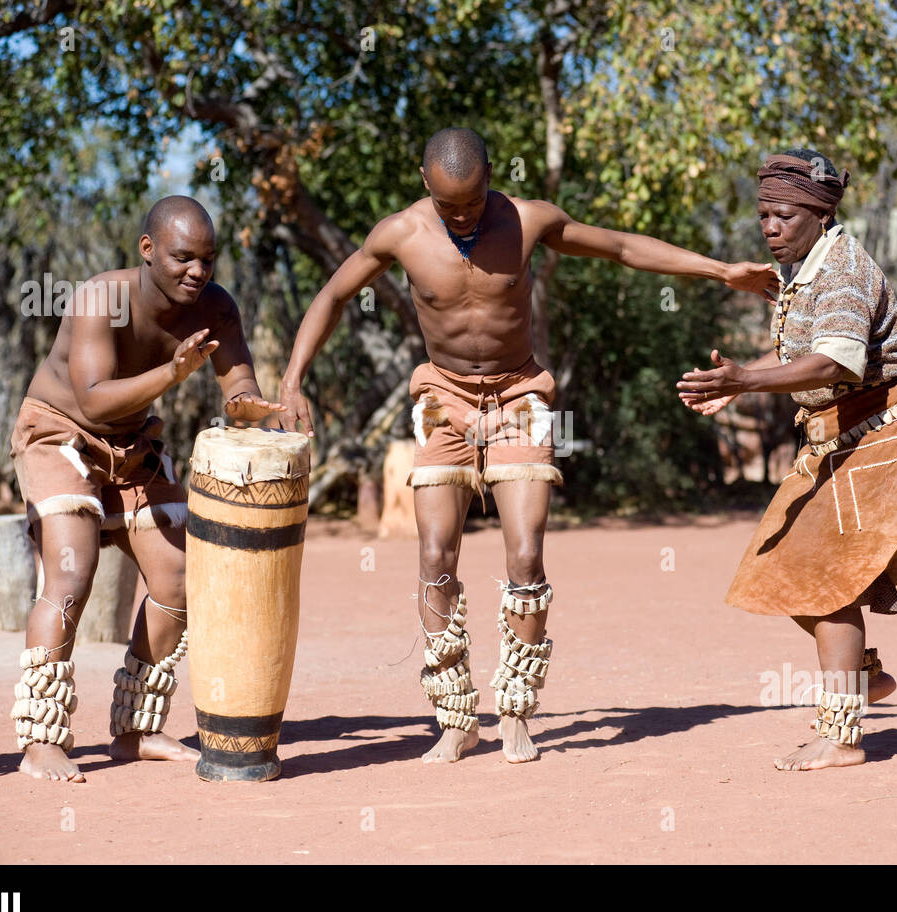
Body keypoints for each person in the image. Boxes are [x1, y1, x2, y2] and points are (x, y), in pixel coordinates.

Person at [280, 127, 778, 764]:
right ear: (423, 183)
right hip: (443, 398)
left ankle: (516, 712)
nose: (462, 215)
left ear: (492, 174)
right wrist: (293, 379)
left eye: (474, 199)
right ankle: (456, 719)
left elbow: (622, 247)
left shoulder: (528, 220)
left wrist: (719, 270)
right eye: (447, 204)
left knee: (525, 556)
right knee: (434, 554)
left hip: (521, 397)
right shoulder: (399, 233)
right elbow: (333, 293)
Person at [678, 149, 897, 771]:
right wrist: (738, 376)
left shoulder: (840, 270)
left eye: (784, 215)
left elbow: (834, 363)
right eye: (763, 215)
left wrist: (745, 381)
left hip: (889, 434)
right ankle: (861, 677)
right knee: (786, 564)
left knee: (821, 574)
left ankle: (841, 736)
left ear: (820, 214)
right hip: (849, 435)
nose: (770, 227)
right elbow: (814, 354)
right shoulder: (804, 268)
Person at [10, 195, 285, 782]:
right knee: (70, 574)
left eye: (208, 260)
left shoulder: (216, 306)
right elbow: (91, 398)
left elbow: (238, 380)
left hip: (134, 446)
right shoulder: (100, 298)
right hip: (60, 434)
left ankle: (135, 730)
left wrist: (247, 405)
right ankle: (40, 738)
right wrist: (172, 373)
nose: (198, 272)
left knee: (181, 580)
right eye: (184, 257)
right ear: (148, 250)